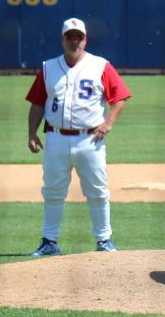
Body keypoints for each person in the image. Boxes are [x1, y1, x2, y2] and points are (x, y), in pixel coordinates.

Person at [25, 17, 131, 256]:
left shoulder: (101, 65)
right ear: (62, 39)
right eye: (70, 36)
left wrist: (108, 122)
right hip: (55, 139)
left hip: (89, 139)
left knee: (97, 191)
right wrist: (31, 132)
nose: (75, 41)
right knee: (52, 191)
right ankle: (49, 242)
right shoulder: (48, 67)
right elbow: (37, 104)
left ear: (85, 39)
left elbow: (120, 97)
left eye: (79, 37)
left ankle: (104, 239)